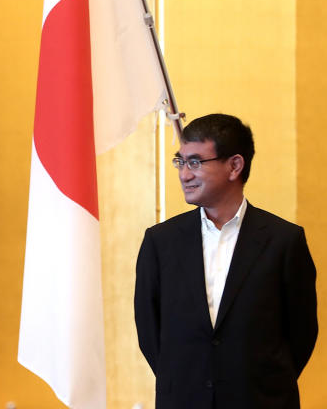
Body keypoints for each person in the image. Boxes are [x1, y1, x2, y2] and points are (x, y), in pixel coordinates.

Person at [134, 113, 317, 409]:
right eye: (180, 161)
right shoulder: (160, 242)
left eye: (195, 162)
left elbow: (301, 333)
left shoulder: (284, 241)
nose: (184, 174)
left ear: (234, 166)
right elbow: (150, 333)